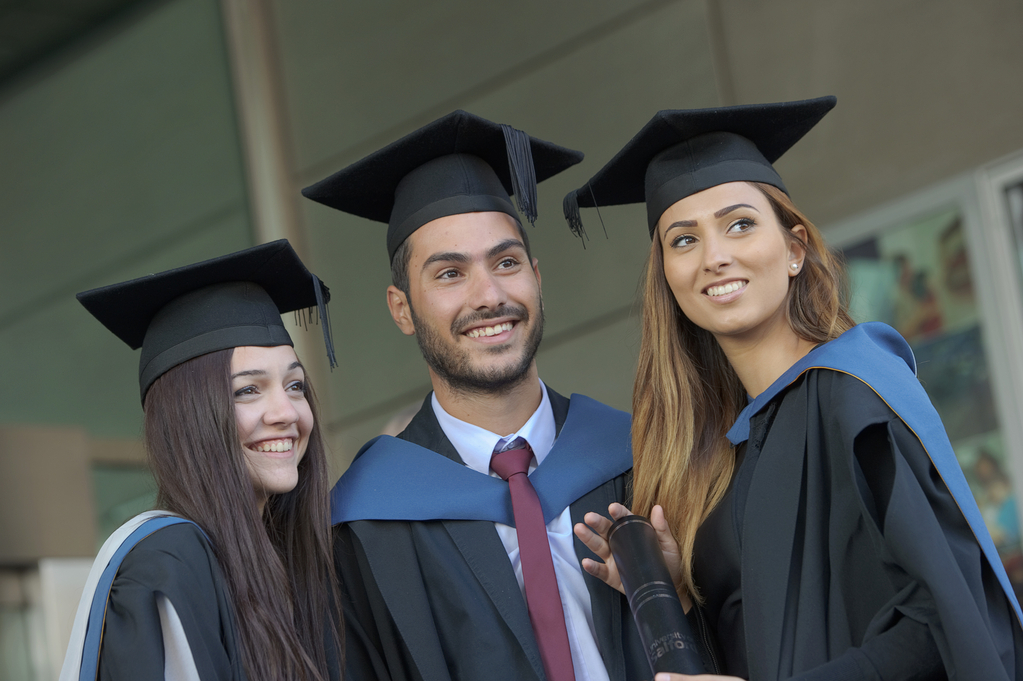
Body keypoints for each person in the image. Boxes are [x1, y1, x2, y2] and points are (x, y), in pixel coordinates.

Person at [565, 97, 1023, 680]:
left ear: (795, 249)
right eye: (683, 240)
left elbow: (945, 622)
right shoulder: (716, 453)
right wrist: (679, 597)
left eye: (740, 224)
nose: (715, 257)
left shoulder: (854, 394)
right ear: (667, 279)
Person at [303, 110, 648, 681]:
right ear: (400, 309)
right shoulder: (365, 525)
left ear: (537, 276)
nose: (489, 295)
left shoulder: (640, 453)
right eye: (449, 274)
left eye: (506, 263)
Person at [61, 240, 344, 681]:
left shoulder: (290, 566)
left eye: (294, 386)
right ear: (188, 418)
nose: (287, 413)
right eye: (248, 390)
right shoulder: (166, 562)